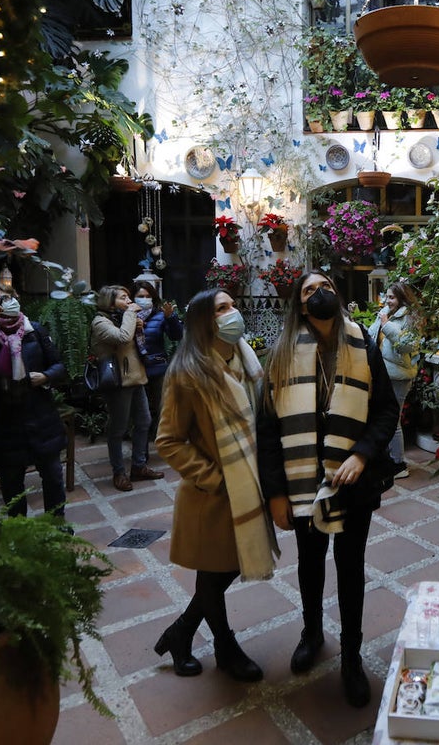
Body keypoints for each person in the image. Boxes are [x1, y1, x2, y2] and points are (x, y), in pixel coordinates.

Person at [257, 272, 399, 708]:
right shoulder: (280, 354)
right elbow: (266, 429)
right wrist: (276, 494)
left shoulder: (362, 343)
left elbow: (386, 409)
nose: (321, 294)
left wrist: (362, 455)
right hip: (302, 483)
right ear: (300, 306)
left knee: (350, 565)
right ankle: (312, 632)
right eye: (309, 291)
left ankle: (351, 656)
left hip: (351, 479)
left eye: (327, 287)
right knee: (311, 562)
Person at [153, 288, 278, 681]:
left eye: (232, 305)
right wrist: (215, 479)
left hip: (248, 487)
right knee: (213, 572)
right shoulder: (187, 372)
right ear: (204, 321)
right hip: (214, 494)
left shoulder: (245, 357)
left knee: (223, 570)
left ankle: (181, 632)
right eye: (222, 308)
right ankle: (225, 647)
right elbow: (168, 440)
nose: (232, 313)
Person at [0, 291, 69, 517]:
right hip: (6, 422)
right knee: (11, 483)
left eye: (11, 297)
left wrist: (46, 376)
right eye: (1, 299)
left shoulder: (34, 331)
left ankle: (57, 525)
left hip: (41, 416)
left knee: (52, 475)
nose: (8, 303)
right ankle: (20, 531)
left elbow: (59, 365)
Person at [91, 284, 165, 491]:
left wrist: (136, 324)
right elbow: (122, 337)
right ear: (110, 301)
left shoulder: (123, 318)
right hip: (118, 382)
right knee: (118, 428)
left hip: (135, 377)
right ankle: (119, 472)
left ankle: (139, 466)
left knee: (144, 421)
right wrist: (131, 316)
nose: (130, 301)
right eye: (124, 298)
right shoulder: (100, 322)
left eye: (128, 298)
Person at [367, 281, 421, 479]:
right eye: (386, 296)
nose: (387, 300)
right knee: (384, 417)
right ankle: (389, 459)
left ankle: (398, 464)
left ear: (402, 298)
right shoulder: (385, 314)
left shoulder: (410, 319)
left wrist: (386, 325)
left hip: (399, 377)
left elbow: (408, 346)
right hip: (383, 374)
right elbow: (371, 335)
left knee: (393, 419)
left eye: (391, 297)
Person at [133, 280, 183, 427]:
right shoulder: (127, 315)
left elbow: (176, 336)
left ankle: (164, 443)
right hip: (134, 370)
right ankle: (141, 449)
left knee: (164, 411)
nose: (144, 299)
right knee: (139, 415)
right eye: (140, 296)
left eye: (147, 296)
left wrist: (171, 318)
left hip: (157, 367)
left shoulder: (160, 315)